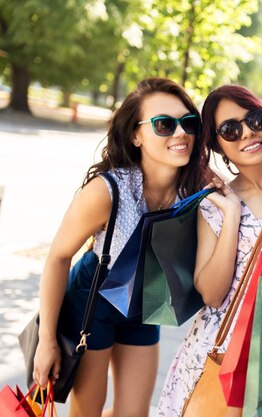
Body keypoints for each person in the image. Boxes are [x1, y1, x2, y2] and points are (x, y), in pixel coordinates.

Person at [33, 77, 209, 417]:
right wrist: (47, 341)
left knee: (135, 412)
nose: (180, 133)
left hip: (145, 301)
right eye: (163, 124)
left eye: (188, 123)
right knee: (88, 411)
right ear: (136, 135)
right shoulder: (107, 191)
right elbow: (58, 256)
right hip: (92, 300)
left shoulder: (195, 192)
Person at [157, 84, 262, 417]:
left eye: (254, 119)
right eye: (231, 130)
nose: (247, 132)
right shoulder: (215, 206)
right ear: (218, 146)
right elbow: (213, 295)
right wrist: (232, 216)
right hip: (221, 353)